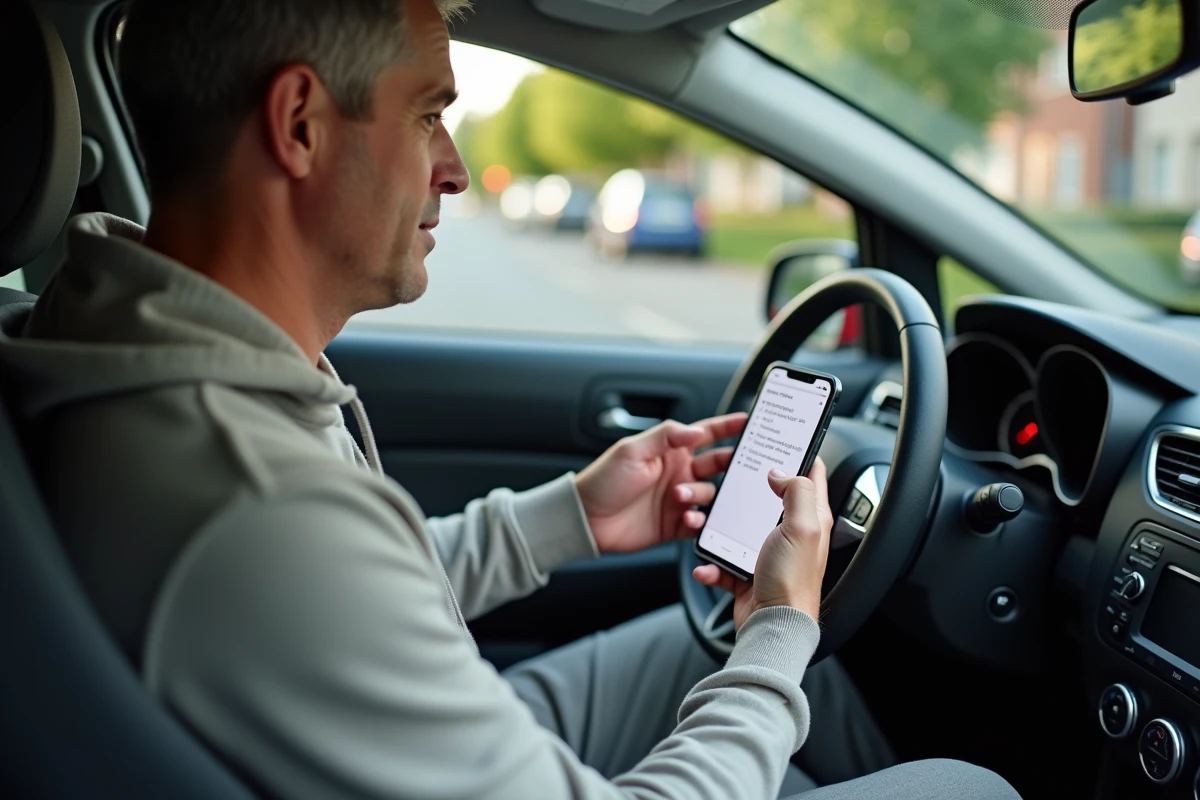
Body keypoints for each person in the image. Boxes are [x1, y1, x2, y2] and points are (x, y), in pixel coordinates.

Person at [0, 0, 1020, 798]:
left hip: (429, 734)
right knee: (968, 784)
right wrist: (781, 627)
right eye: (427, 112)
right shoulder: (246, 495)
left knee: (765, 676)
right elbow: (309, 569)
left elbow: (348, 600)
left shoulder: (136, 349)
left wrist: (570, 515)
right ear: (300, 122)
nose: (453, 169)